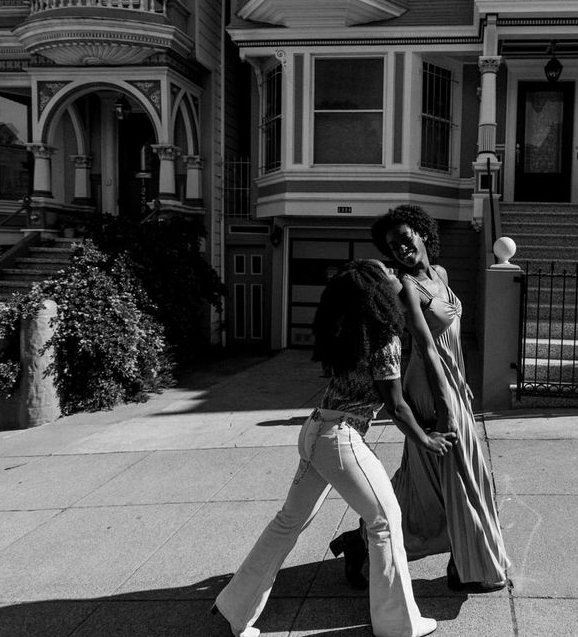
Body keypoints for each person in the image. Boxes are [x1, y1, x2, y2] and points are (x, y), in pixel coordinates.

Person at [211, 259, 456, 637]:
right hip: (340, 436)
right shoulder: (383, 335)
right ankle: (398, 624)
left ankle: (233, 606)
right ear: (376, 290)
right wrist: (426, 438)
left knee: (287, 523)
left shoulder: (352, 330)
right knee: (386, 521)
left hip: (316, 431)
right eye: (386, 272)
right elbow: (396, 404)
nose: (394, 273)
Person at [332, 205, 510, 593]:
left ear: (424, 233)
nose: (400, 246)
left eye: (405, 237)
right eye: (392, 244)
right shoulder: (405, 285)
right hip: (430, 388)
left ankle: (361, 540)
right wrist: (445, 403)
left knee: (426, 486)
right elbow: (426, 347)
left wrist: (459, 385)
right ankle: (467, 566)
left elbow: (451, 337)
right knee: (453, 479)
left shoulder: (441, 275)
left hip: (452, 382)